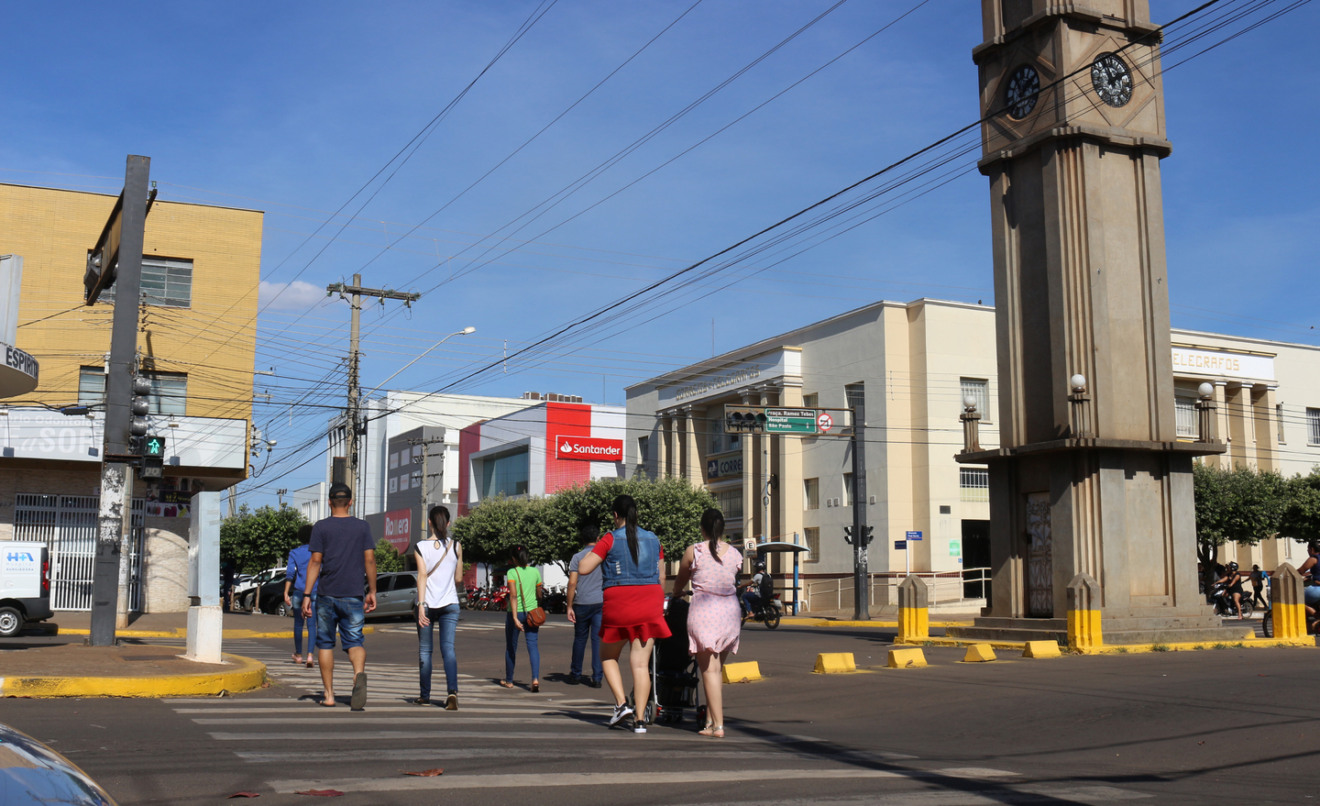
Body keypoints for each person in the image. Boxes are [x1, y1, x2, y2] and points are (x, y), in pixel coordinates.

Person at [576, 494, 671, 734]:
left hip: (619, 602)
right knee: (640, 665)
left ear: (615, 515)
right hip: (650, 600)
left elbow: (584, 568)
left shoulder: (609, 538)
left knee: (607, 656)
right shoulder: (654, 539)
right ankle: (640, 721)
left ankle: (620, 704)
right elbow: (661, 577)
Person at [301, 483, 377, 710]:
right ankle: (358, 674)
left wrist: (306, 594)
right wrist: (372, 591)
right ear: (351, 502)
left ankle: (329, 695)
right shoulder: (362, 527)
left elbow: (315, 561)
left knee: (324, 644)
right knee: (354, 641)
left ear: (329, 502)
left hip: (326, 594)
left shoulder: (321, 527)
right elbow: (370, 560)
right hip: (353, 594)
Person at [671, 508, 742, 739]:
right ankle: (711, 721)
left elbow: (681, 579)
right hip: (730, 613)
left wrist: (676, 593)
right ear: (722, 529)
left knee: (708, 671)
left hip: (705, 612)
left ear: (702, 528)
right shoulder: (734, 553)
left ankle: (718, 726)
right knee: (715, 671)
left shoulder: (695, 551)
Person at [415, 505, 463, 710]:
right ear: (448, 523)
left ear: (429, 523)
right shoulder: (456, 546)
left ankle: (425, 695)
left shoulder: (420, 547)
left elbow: (422, 576)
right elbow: (459, 578)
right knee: (448, 650)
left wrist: (421, 605)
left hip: (428, 604)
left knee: (426, 651)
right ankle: (452, 692)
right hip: (451, 603)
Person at [566, 522, 604, 688]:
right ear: (598, 538)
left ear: (582, 539)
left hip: (582, 602)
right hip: (600, 602)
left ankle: (575, 674)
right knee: (597, 640)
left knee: (580, 639)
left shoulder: (577, 557)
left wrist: (569, 606)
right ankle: (597, 677)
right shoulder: (603, 556)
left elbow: (572, 583)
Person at [501, 545, 543, 692]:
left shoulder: (512, 572)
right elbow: (539, 593)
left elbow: (513, 595)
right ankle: (535, 679)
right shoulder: (535, 571)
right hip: (532, 613)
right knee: (533, 646)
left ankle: (510, 680)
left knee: (511, 647)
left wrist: (514, 617)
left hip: (516, 612)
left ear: (513, 559)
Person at [282, 525, 318, 667]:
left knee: (298, 624)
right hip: (315, 591)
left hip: (298, 591)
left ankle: (298, 654)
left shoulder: (294, 553)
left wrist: (286, 592)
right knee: (312, 625)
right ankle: (310, 655)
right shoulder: (318, 552)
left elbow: (290, 574)